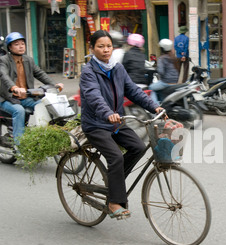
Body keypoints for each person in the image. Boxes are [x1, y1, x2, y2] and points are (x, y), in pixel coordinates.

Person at [80, 30, 163, 219]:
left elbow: (133, 91)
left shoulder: (117, 68)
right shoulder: (88, 72)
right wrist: (107, 113)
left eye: (108, 46)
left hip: (116, 121)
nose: (105, 50)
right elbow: (94, 96)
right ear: (92, 48)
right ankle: (114, 201)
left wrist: (154, 107)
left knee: (138, 147)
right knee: (116, 157)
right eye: (100, 46)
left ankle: (113, 182)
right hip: (96, 124)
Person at [0, 32, 64, 145]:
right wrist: (14, 87)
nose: (21, 46)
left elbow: (40, 73)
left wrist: (54, 85)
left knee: (44, 104)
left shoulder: (28, 60)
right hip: (6, 98)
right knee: (18, 111)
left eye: (22, 44)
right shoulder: (3, 60)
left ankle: (44, 134)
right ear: (10, 47)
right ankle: (20, 147)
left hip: (24, 97)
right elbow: (3, 75)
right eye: (16, 44)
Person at [149, 39, 180, 105]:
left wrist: (156, 70)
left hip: (166, 82)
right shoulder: (173, 57)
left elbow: (161, 72)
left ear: (162, 48)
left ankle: (155, 106)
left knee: (151, 88)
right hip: (175, 82)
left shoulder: (162, 58)